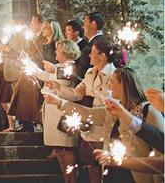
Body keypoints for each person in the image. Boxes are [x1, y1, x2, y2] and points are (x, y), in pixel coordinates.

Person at [45, 67, 164, 183]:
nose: (109, 86)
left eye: (112, 81)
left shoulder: (149, 111)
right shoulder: (114, 109)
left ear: (123, 84)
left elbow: (160, 149)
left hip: (137, 176)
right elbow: (87, 113)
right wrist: (59, 102)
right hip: (113, 172)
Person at [46, 38, 119, 183]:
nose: (89, 56)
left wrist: (90, 95)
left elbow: (110, 102)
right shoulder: (90, 73)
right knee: (91, 163)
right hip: (88, 123)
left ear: (102, 56)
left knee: (103, 167)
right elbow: (77, 93)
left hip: (103, 125)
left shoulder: (114, 75)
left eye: (92, 53)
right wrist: (58, 88)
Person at [33, 39, 80, 183]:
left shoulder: (70, 66)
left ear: (66, 51)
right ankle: (66, 180)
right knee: (59, 150)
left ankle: (73, 179)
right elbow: (46, 76)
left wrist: (53, 70)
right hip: (52, 111)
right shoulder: (59, 66)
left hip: (63, 112)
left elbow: (67, 80)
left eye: (58, 50)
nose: (55, 52)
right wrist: (29, 67)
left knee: (66, 148)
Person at [77, 12, 105, 78]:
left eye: (85, 23)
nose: (83, 27)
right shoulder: (103, 41)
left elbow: (85, 70)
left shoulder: (95, 45)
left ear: (93, 24)